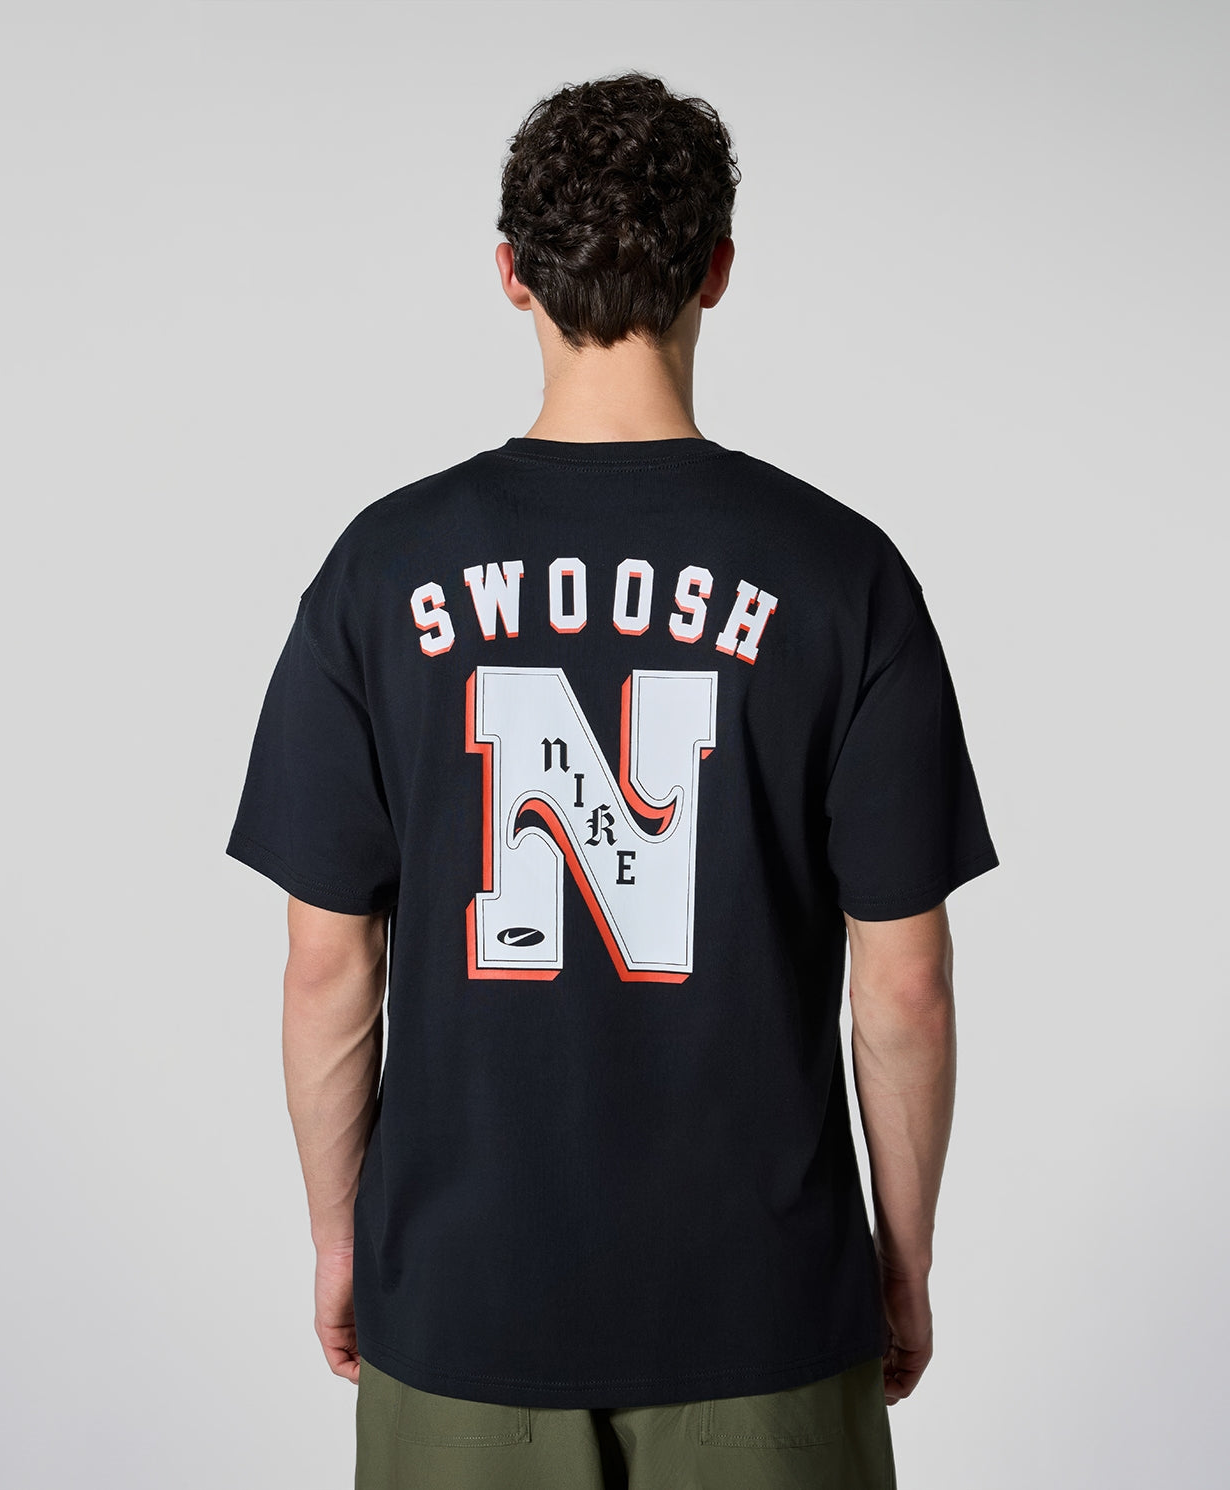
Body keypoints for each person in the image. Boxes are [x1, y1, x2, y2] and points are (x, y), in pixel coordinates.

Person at [227, 70, 999, 1490]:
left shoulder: (380, 571)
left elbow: (328, 963)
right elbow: (905, 986)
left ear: (510, 273)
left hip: (459, 1310)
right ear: (717, 269)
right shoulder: (845, 577)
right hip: (766, 1313)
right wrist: (902, 1260)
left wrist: (342, 1240)